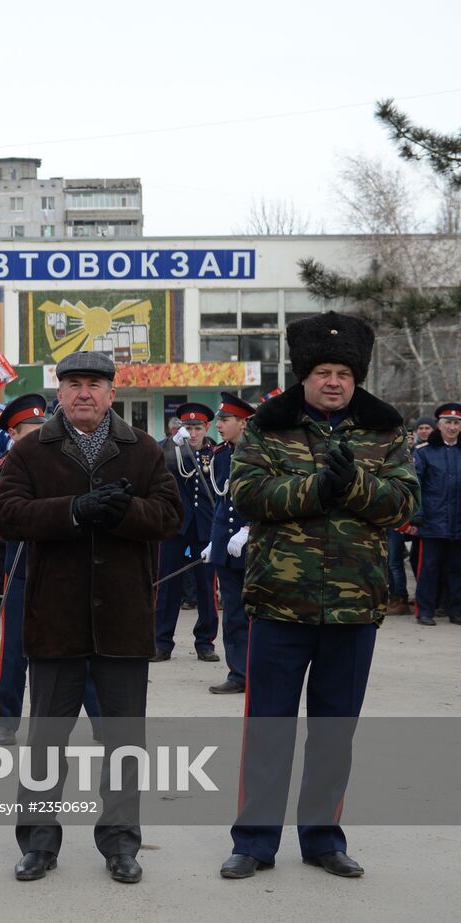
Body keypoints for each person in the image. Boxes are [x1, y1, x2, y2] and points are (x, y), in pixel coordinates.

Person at [223, 310, 419, 880]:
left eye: (343, 373)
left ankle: (323, 838)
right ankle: (254, 842)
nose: (333, 381)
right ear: (303, 376)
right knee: (269, 729)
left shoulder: (384, 430)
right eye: (322, 371)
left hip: (354, 605)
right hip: (279, 603)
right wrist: (317, 486)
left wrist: (355, 483)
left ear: (356, 378)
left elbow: (407, 503)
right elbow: (250, 494)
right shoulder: (268, 425)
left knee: (335, 731)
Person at [0, 351, 181, 886]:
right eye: (73, 384)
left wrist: (124, 511)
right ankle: (37, 843)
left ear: (112, 393)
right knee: (46, 739)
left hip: (123, 619)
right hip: (55, 618)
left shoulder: (142, 450)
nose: (84, 393)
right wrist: (74, 510)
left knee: (123, 741)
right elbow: (7, 516)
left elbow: (170, 516)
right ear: (59, 392)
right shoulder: (32, 451)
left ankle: (122, 844)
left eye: (94, 385)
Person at [0, 393, 103, 747]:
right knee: (15, 652)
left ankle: (101, 721)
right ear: (14, 434)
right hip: (22, 568)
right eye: (29, 430)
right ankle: (7, 722)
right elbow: (6, 517)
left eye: (42, 427)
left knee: (75, 646)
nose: (39, 434)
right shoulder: (7, 465)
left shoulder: (64, 458)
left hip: (60, 568)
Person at [152, 402, 220, 662]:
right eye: (188, 427)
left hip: (205, 527)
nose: (192, 433)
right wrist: (172, 443)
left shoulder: (215, 453)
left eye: (197, 428)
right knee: (168, 586)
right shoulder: (168, 450)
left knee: (206, 587)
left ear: (207, 428)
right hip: (175, 526)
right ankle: (162, 642)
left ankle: (205, 642)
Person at [203, 393, 255, 694]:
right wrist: (214, 541)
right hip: (227, 546)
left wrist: (250, 528)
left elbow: (268, 498)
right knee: (233, 613)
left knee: (258, 614)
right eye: (219, 420)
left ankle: (260, 672)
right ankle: (238, 674)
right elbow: (222, 502)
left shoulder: (261, 453)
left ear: (243, 422)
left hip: (254, 546)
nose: (218, 425)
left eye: (224, 420)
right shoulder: (221, 454)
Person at [411, 402, 461, 626]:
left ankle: (456, 611)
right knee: (429, 569)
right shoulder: (424, 453)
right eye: (448, 422)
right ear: (438, 426)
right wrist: (417, 515)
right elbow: (416, 484)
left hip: (458, 522)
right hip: (433, 521)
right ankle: (425, 611)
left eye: (456, 423)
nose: (452, 427)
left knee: (456, 569)